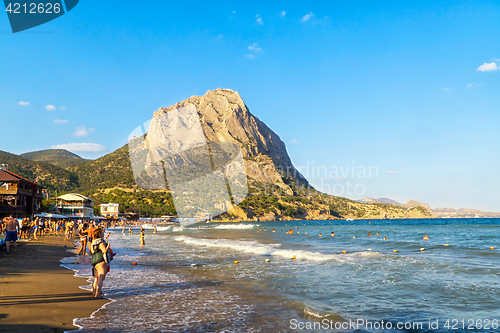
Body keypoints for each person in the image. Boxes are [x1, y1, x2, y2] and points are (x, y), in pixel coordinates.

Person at [90, 227, 110, 298]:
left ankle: (94, 291)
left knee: (95, 277)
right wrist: (108, 246)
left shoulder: (93, 241)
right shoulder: (100, 241)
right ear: (99, 234)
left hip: (94, 260)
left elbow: (91, 251)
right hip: (100, 260)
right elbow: (104, 251)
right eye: (102, 232)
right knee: (101, 277)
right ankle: (98, 294)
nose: (103, 233)